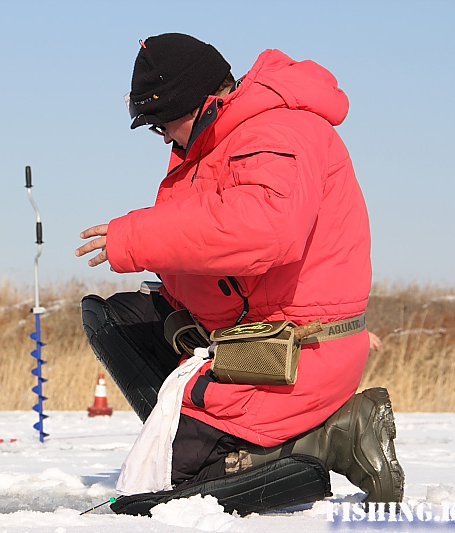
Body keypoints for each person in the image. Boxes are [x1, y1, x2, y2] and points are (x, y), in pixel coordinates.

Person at [76, 33, 403, 511]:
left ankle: (330, 438)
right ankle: (210, 438)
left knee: (154, 495)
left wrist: (138, 238)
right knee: (116, 318)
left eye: (163, 122)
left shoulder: (275, 132)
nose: (163, 136)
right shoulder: (218, 141)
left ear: (205, 103)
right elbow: (212, 249)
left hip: (298, 353)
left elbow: (267, 230)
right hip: (252, 340)